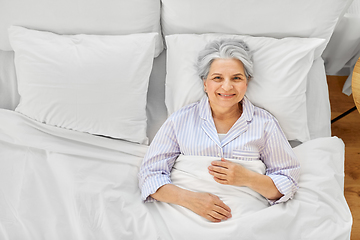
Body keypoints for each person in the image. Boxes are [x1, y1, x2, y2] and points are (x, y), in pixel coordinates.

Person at [138, 38, 300, 223]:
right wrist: (189, 199)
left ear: (247, 82)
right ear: (205, 83)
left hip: (246, 220)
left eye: (236, 78)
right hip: (183, 216)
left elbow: (287, 180)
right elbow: (150, 174)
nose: (227, 86)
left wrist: (248, 178)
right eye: (217, 78)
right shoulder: (180, 120)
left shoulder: (265, 123)